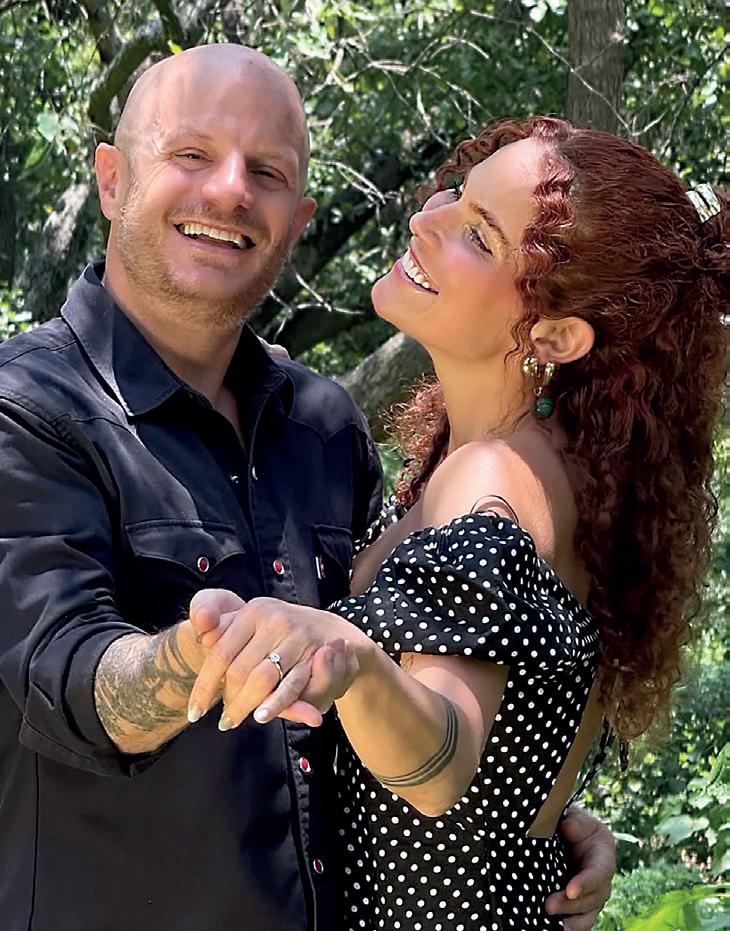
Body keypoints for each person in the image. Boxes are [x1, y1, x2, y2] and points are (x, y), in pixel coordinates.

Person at [0, 44, 614, 931]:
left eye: (268, 172)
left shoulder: (325, 428)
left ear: (298, 220)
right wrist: (207, 653)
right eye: (191, 154)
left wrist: (527, 828)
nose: (229, 191)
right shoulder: (27, 410)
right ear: (110, 178)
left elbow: (404, 680)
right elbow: (75, 682)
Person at [185, 117, 728, 931]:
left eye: (478, 234)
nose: (425, 219)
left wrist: (354, 662)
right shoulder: (551, 470)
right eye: (456, 195)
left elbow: (442, 762)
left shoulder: (490, 483)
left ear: (555, 336)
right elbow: (503, 774)